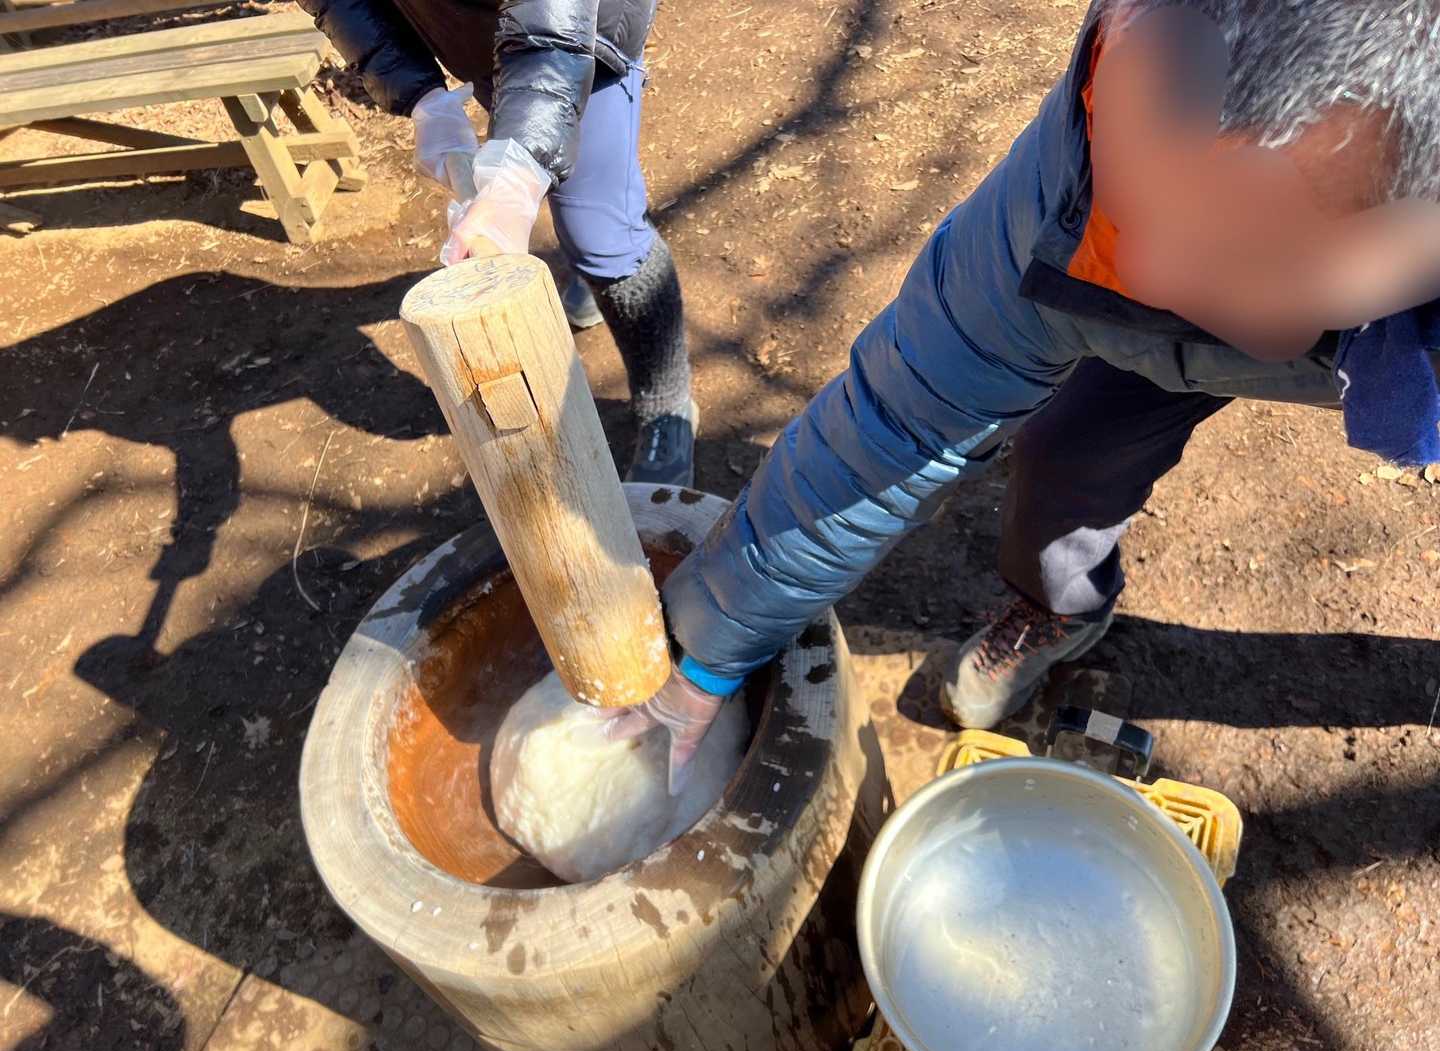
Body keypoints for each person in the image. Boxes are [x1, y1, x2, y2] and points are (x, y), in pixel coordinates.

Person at [604, 0, 1440, 792]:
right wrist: (712, 652)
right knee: (1066, 452)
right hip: (1194, 327)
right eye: (1125, 198)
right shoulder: (1069, 194)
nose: (1142, 275)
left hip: (1397, 351)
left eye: (1244, 254)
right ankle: (1057, 607)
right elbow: (892, 427)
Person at [298, 0, 699, 485]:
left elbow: (552, 31)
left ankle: (667, 405)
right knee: (538, 157)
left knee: (601, 237)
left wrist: (518, 175)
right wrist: (422, 98)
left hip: (587, 39)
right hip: (490, 40)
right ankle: (590, 275)